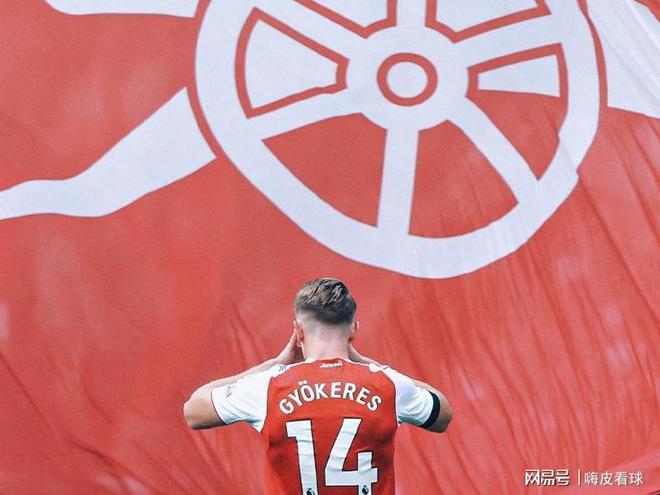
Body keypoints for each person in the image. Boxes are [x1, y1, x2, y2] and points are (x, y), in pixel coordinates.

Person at [183, 278, 452, 495]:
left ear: (298, 331)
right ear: (353, 330)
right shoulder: (387, 385)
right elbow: (442, 413)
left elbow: (194, 411)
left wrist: (273, 364)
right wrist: (373, 365)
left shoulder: (268, 386)